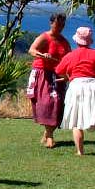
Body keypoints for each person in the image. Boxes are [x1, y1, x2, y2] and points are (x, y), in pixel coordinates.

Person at [55, 26, 95, 156]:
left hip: (77, 86)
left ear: (77, 41)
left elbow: (59, 71)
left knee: (76, 120)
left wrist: (68, 76)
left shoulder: (70, 56)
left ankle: (80, 151)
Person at [26, 13, 71, 148]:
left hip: (58, 76)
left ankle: (47, 134)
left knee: (58, 104)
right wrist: (43, 55)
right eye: (58, 24)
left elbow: (69, 58)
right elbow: (32, 50)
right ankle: (50, 136)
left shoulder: (64, 41)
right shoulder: (44, 37)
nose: (60, 27)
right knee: (49, 102)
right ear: (51, 23)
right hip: (43, 74)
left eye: (62, 25)